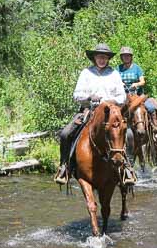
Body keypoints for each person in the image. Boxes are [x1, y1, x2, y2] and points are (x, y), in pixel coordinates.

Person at [54, 43, 127, 185]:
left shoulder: (114, 74)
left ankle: (128, 168)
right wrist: (88, 97)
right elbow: (76, 95)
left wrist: (112, 100)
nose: (102, 60)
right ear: (94, 58)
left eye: (105, 57)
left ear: (108, 59)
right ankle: (65, 167)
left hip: (111, 113)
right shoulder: (86, 73)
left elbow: (122, 97)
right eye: (99, 57)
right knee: (65, 134)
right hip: (89, 111)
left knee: (128, 135)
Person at [117, 46, 157, 135]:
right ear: (121, 57)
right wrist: (120, 83)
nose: (126, 57)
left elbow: (143, 81)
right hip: (124, 96)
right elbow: (114, 80)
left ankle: (154, 126)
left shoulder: (137, 68)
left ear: (131, 57)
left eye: (128, 56)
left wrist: (136, 84)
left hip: (137, 94)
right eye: (124, 56)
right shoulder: (118, 68)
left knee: (150, 107)